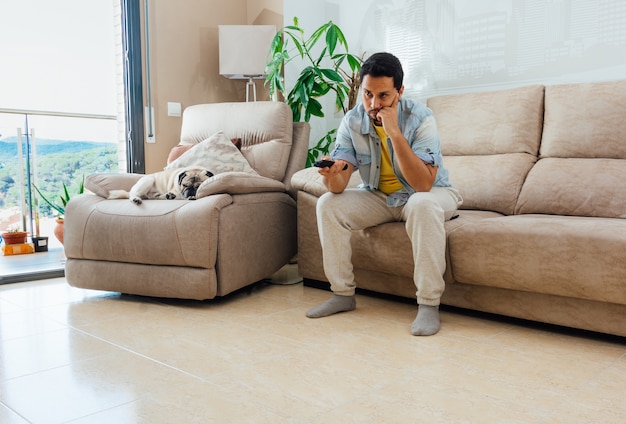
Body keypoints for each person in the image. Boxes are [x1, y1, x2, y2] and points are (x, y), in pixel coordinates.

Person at [306, 52, 462, 336]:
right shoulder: (352, 121)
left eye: (383, 96)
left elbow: (423, 184)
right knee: (328, 203)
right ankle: (342, 294)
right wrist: (332, 176)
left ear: (400, 92)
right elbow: (340, 185)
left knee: (422, 204)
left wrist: (395, 134)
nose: (374, 104)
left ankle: (428, 304)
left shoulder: (421, 118)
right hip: (380, 196)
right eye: (367, 94)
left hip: (431, 193)